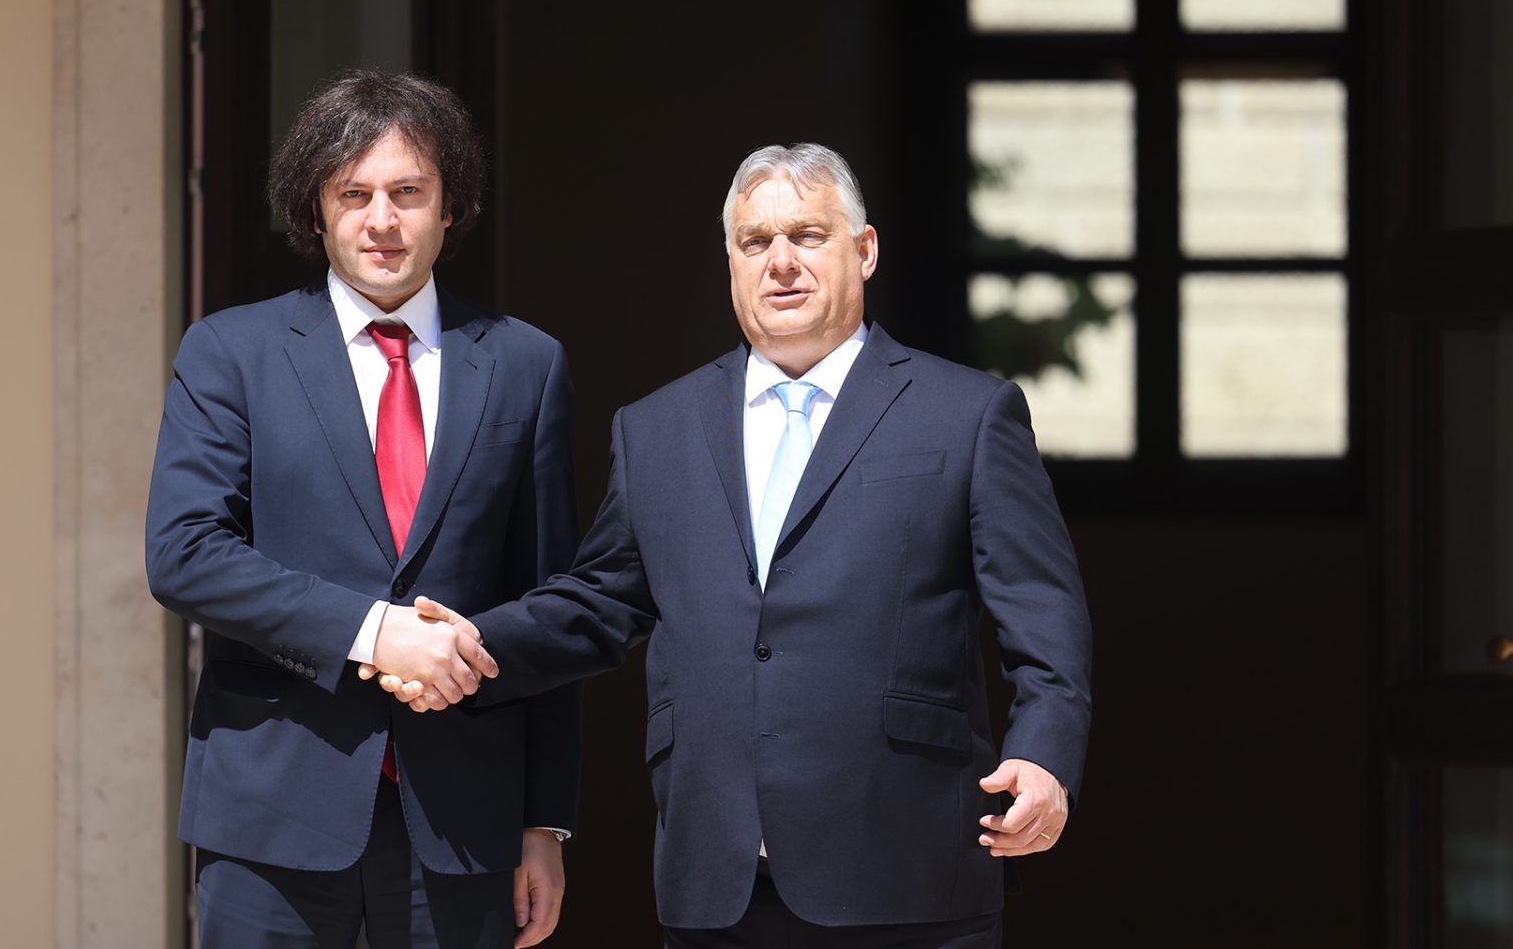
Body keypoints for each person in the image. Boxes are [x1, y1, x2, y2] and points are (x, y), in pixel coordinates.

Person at [377, 144, 1091, 948]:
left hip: (909, 872)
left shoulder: (967, 413)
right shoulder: (657, 428)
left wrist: (1045, 757)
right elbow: (599, 602)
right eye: (755, 242)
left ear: (864, 250)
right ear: (730, 263)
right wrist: (467, 645)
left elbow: (1043, 612)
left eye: (808, 235)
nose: (780, 262)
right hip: (718, 881)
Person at [144, 70, 579, 949]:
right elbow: (184, 553)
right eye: (354, 194)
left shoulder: (525, 363)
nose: (382, 219)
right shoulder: (231, 351)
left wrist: (544, 821)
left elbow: (549, 602)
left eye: (408, 193)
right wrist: (374, 633)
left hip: (466, 819)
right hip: (272, 811)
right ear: (316, 210)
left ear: (450, 207)